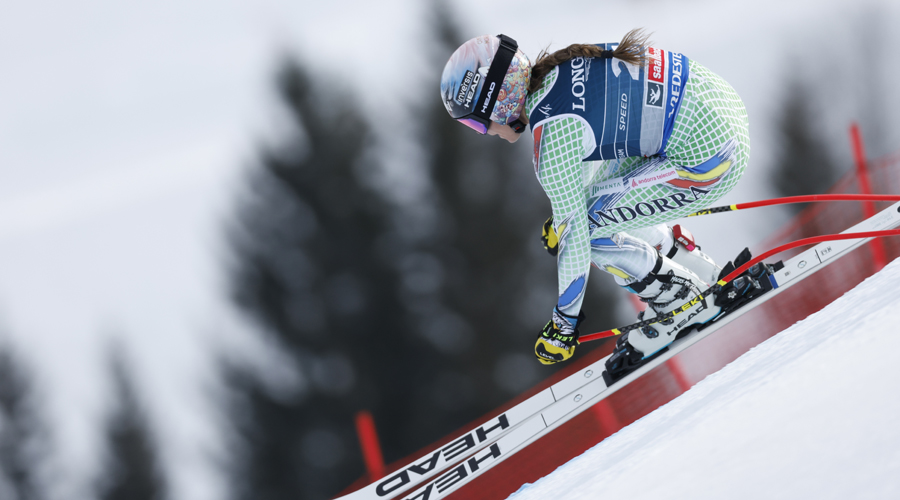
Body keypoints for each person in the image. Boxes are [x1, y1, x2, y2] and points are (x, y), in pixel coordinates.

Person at [440, 30, 750, 373]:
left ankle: (680, 298)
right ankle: (695, 267)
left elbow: (576, 238)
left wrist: (563, 326)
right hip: (723, 118)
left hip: (710, 158)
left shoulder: (551, 138)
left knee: (588, 232)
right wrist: (564, 220)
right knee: (593, 214)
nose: (484, 131)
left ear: (497, 102)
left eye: (476, 122)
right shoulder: (561, 68)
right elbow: (595, 167)